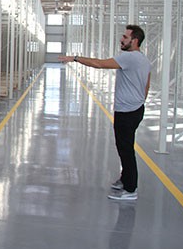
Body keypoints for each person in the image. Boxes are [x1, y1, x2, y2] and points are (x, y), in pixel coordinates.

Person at [59, 25, 151, 201]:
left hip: (126, 111)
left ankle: (130, 189)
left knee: (125, 149)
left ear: (135, 41)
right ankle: (125, 179)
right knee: (125, 146)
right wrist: (138, 102)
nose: (121, 40)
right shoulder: (144, 60)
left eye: (125, 37)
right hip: (136, 109)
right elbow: (147, 85)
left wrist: (75, 58)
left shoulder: (128, 57)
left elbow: (99, 64)